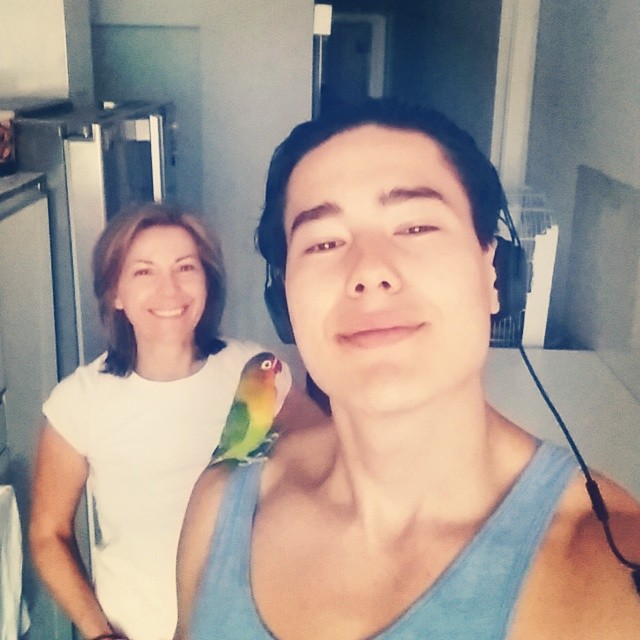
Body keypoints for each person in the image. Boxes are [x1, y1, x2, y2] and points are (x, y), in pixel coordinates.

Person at [173, 101, 640, 640]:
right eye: (324, 242)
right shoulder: (222, 504)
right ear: (285, 304)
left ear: (493, 273)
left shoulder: (611, 565)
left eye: (416, 226)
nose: (370, 271)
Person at [29, 202, 317, 640]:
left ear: (207, 283)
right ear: (115, 294)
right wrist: (98, 632)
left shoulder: (255, 374)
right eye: (143, 271)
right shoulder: (80, 401)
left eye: (185, 267)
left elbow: (329, 461)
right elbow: (48, 533)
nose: (169, 289)